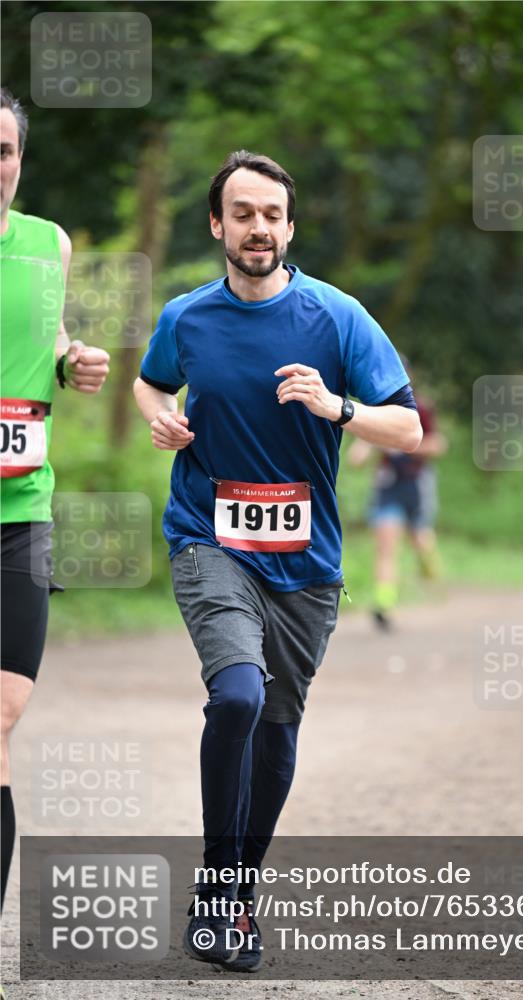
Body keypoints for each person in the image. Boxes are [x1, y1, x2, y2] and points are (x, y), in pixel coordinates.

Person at [133, 150, 422, 972]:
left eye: (272, 215)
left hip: (306, 563)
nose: (257, 227)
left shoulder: (336, 319)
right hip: (208, 538)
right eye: (242, 213)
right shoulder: (187, 318)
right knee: (236, 695)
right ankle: (221, 889)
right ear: (218, 224)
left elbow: (407, 430)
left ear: (289, 228)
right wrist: (160, 418)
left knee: (279, 724)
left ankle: (232, 897)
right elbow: (151, 385)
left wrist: (338, 405)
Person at [0, 89, 110, 914]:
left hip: (21, 512)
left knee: (3, 712)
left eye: (3, 151)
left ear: (20, 160)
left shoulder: (48, 244)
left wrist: (73, 360)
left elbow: (51, 334)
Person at [348, 365, 447, 631]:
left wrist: (406, 444)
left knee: (419, 539)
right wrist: (363, 449)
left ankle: (429, 566)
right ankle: (384, 604)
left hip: (415, 484)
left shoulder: (421, 408)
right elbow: (361, 448)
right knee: (386, 546)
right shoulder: (378, 410)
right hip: (387, 485)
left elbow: (437, 445)